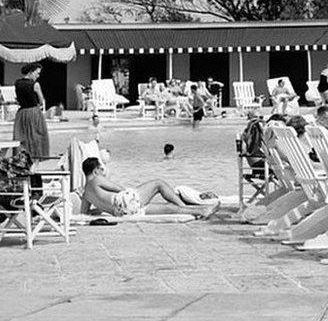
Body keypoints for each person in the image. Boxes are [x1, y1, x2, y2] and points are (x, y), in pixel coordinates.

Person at [80, 156, 219, 218]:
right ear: (95, 171)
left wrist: (103, 208)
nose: (102, 171)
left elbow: (84, 213)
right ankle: (185, 205)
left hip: (122, 212)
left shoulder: (86, 193)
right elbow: (119, 189)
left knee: (168, 208)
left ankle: (201, 211)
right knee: (159, 183)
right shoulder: (97, 179)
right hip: (125, 201)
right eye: (101, 168)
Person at [13, 63, 49, 161]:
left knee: (22, 137)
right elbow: (41, 101)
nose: (38, 75)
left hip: (21, 113)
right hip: (33, 112)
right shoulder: (35, 84)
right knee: (36, 137)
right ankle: (35, 159)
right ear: (31, 72)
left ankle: (21, 160)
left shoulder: (17, 83)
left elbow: (18, 98)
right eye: (37, 73)